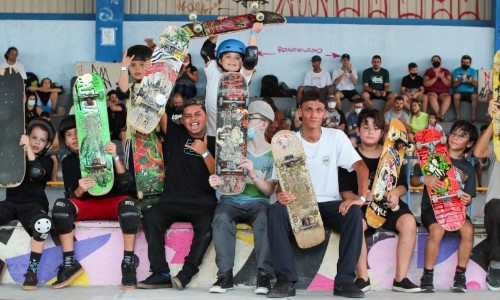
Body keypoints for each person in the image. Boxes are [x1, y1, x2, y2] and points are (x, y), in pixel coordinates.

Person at [266, 89, 369, 298]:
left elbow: (361, 167)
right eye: (309, 109)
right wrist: (282, 194)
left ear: (325, 114)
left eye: (319, 110)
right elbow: (279, 183)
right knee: (275, 212)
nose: (313, 114)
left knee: (354, 215)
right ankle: (285, 281)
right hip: (298, 204)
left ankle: (345, 282)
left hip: (329, 204)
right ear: (300, 113)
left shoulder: (336, 137)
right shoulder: (287, 141)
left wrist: (360, 199)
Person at [51, 115, 140, 290]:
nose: (74, 137)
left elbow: (126, 184)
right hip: (88, 205)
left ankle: (128, 264)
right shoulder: (68, 162)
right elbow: (71, 197)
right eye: (69, 135)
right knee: (61, 208)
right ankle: (69, 263)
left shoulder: (105, 153)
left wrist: (114, 156)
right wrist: (80, 190)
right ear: (66, 143)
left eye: (77, 132)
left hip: (113, 201)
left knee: (130, 209)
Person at [138, 99, 217, 291]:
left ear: (206, 117)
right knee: (151, 217)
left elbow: (217, 175)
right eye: (187, 116)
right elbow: (159, 107)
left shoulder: (215, 142)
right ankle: (161, 274)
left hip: (202, 202)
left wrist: (205, 152)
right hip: (171, 199)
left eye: (197, 114)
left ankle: (186, 274)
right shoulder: (175, 134)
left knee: (208, 225)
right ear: (181, 121)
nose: (193, 119)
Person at [339, 108, 420, 293]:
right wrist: (360, 197)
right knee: (356, 224)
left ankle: (401, 279)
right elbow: (345, 192)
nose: (370, 131)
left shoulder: (391, 154)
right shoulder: (348, 156)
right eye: (365, 127)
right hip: (362, 207)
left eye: (375, 128)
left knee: (408, 222)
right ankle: (362, 278)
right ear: (357, 130)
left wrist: (395, 193)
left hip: (388, 205)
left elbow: (403, 185)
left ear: (382, 132)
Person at [208, 100, 277, 295]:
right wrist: (215, 181)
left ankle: (264, 275)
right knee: (220, 219)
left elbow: (269, 191)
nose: (244, 122)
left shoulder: (274, 153)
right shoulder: (232, 147)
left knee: (265, 219)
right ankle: (224, 276)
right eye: (243, 118)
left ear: (264, 123)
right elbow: (222, 179)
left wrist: (253, 174)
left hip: (258, 203)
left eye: (250, 118)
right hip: (231, 200)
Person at [411, 120, 478, 293]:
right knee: (437, 230)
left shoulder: (469, 169)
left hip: (456, 210)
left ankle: (460, 274)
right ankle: (427, 275)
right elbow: (414, 181)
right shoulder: (431, 156)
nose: (456, 138)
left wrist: (466, 200)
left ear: (469, 143)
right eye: (454, 133)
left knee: (469, 230)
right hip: (431, 209)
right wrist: (425, 179)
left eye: (462, 136)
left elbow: (470, 198)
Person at [0, 118, 55, 290]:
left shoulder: (48, 161)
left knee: (43, 224)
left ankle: (32, 271)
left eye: (42, 140)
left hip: (34, 205)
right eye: (34, 138)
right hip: (11, 203)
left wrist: (29, 149)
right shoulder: (15, 157)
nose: (37, 142)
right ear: (27, 137)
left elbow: (37, 173)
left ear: (47, 144)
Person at [201, 22, 263, 136]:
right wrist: (217, 28)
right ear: (220, 60)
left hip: (234, 136)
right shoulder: (213, 72)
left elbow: (251, 59)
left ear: (242, 61)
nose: (232, 60)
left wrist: (254, 33)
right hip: (211, 133)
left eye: (237, 58)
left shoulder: (242, 76)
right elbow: (206, 52)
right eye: (228, 56)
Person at [472, 99, 500, 290]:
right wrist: (494, 122)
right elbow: (478, 151)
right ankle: (497, 263)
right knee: (497, 210)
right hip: (497, 201)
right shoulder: (495, 146)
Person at [116, 44, 155, 172]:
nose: (137, 68)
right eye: (133, 65)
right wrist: (123, 68)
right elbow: (121, 92)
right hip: (132, 139)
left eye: (142, 64)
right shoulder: (130, 88)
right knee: (132, 175)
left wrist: (153, 71)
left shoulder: (155, 84)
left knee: (153, 175)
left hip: (153, 138)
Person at [424, 55, 452, 121]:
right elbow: (426, 84)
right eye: (434, 60)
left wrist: (442, 77)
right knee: (431, 97)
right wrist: (435, 78)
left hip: (444, 92)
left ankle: (439, 116)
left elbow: (449, 84)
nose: (435, 61)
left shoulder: (446, 71)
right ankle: (441, 117)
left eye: (437, 60)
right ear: (432, 62)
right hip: (431, 91)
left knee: (448, 98)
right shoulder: (429, 71)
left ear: (440, 61)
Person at [452, 55, 478, 122]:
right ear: (460, 62)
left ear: (470, 63)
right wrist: (460, 80)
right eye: (463, 62)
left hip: (470, 92)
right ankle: (458, 116)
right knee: (456, 96)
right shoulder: (456, 71)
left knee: (475, 96)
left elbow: (477, 85)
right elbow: (453, 85)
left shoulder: (473, 71)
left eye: (467, 62)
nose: (465, 64)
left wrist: (471, 81)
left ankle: (473, 117)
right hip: (459, 92)